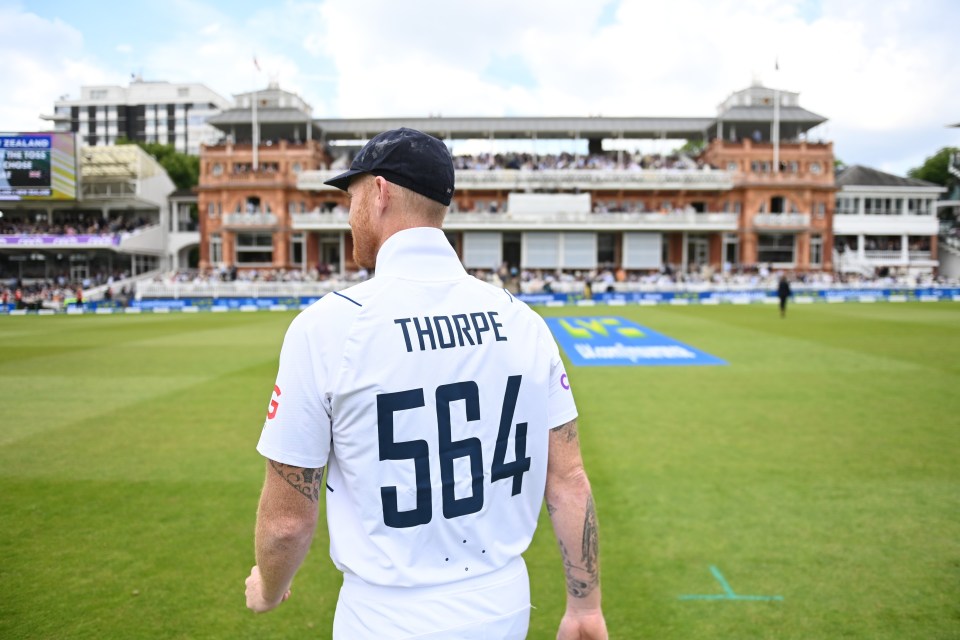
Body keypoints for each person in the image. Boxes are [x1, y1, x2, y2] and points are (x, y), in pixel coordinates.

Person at [245, 128, 607, 639]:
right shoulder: (523, 320)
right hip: (502, 605)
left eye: (351, 198)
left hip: (386, 615)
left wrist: (266, 587)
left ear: (380, 192)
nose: (349, 216)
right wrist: (585, 606)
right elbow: (569, 482)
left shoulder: (327, 327)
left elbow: (288, 522)